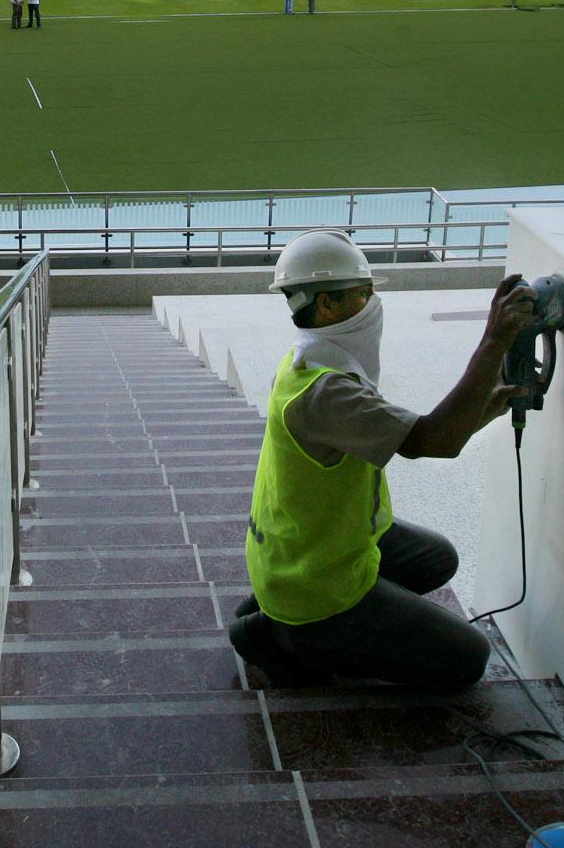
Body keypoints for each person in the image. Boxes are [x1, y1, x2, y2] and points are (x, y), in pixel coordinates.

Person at [227, 231, 536, 693]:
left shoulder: (311, 360)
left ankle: (283, 610)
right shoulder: (326, 391)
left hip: (302, 549)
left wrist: (483, 408)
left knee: (438, 559)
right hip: (314, 581)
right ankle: (287, 637)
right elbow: (435, 441)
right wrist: (494, 340)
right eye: (364, 294)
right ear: (328, 307)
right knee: (468, 659)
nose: (374, 304)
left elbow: (418, 432)